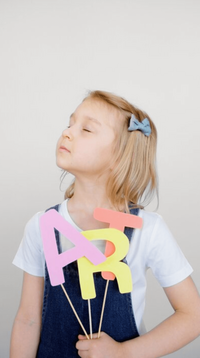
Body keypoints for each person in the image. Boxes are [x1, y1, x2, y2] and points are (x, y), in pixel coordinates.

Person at [10, 90, 200, 358]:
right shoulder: (41, 226)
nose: (68, 132)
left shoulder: (148, 229)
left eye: (86, 129)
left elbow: (193, 316)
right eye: (70, 123)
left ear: (119, 157)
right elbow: (28, 319)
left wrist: (125, 353)